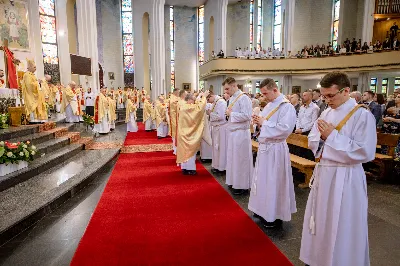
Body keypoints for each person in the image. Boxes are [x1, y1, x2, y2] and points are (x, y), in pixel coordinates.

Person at [300, 71, 376, 266]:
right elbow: (313, 139)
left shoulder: (361, 115)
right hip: (325, 171)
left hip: (346, 176)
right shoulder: (326, 112)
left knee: (342, 223)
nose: (326, 100)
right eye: (324, 96)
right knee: (322, 219)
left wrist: (331, 136)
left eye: (330, 96)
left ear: (346, 91)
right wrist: (320, 138)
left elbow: (365, 152)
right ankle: (319, 258)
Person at [249, 78, 297, 228]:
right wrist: (258, 123)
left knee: (273, 181)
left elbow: (285, 129)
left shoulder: (286, 107)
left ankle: (273, 215)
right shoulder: (270, 105)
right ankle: (262, 208)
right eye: (262, 94)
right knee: (262, 180)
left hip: (276, 149)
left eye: (266, 93)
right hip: (265, 148)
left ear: (275, 90)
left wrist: (264, 123)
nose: (263, 97)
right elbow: (264, 124)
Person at [224, 77, 253, 195]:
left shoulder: (244, 98)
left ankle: (242, 185)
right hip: (233, 133)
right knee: (233, 159)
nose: (226, 92)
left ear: (234, 85)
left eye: (227, 89)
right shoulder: (232, 98)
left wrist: (231, 114)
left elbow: (247, 116)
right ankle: (234, 182)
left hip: (241, 133)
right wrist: (228, 115)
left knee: (241, 160)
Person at [176, 91, 209, 175]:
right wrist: (204, 97)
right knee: (191, 150)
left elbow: (197, 106)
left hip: (183, 133)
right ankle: (190, 169)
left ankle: (184, 168)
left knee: (184, 151)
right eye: (193, 101)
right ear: (190, 100)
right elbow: (199, 108)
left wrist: (200, 97)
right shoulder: (189, 108)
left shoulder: (183, 106)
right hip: (189, 134)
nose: (194, 102)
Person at [21, 59, 47, 123]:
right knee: (32, 105)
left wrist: (38, 83)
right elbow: (29, 85)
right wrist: (37, 82)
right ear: (29, 67)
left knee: (38, 105)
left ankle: (38, 118)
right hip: (30, 94)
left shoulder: (32, 75)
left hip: (34, 94)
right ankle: (33, 119)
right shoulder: (27, 75)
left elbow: (34, 83)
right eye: (34, 67)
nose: (35, 68)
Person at [207, 91, 227, 173]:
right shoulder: (215, 102)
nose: (208, 101)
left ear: (212, 96)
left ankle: (221, 167)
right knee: (216, 148)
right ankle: (216, 165)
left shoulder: (221, 102)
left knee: (220, 148)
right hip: (216, 128)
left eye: (208, 99)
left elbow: (221, 116)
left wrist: (210, 114)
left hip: (221, 128)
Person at [168, 89, 180, 155]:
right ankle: (176, 150)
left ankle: (175, 149)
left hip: (175, 117)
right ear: (176, 92)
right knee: (176, 134)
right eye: (178, 92)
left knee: (175, 134)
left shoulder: (174, 98)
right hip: (175, 118)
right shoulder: (174, 99)